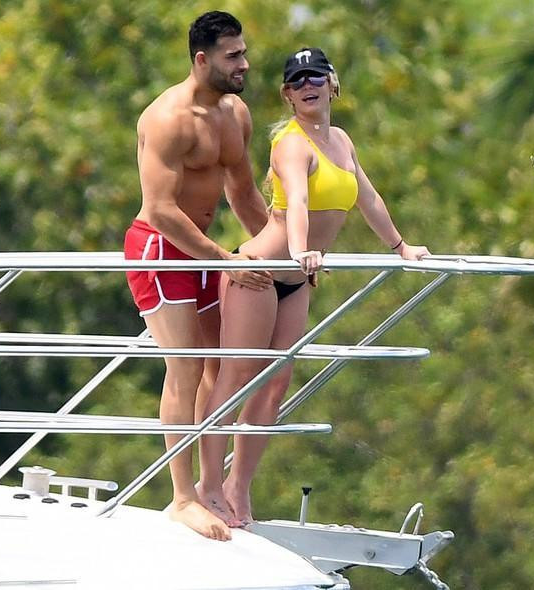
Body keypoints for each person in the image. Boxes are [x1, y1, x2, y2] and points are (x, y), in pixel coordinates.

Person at [198, 47, 430, 526]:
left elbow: (368, 198)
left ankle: (239, 486)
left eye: (315, 77)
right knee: (238, 376)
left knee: (275, 383)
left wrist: (401, 247)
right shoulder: (291, 144)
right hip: (260, 271)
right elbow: (298, 202)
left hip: (297, 279)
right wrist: (301, 248)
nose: (308, 86)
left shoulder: (341, 141)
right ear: (287, 94)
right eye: (297, 81)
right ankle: (208, 486)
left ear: (332, 83)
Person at [123, 11, 272, 542]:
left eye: (244, 53)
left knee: (222, 365)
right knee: (184, 367)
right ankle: (181, 497)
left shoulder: (235, 113)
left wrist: (282, 256)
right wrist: (224, 259)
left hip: (205, 251)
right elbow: (161, 209)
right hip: (160, 248)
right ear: (202, 59)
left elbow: (243, 193)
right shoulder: (168, 119)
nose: (244, 64)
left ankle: (211, 486)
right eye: (233, 56)